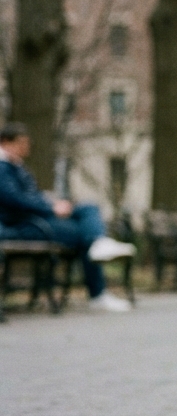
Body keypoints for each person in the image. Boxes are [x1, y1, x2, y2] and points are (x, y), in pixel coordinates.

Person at [0, 123, 136, 312]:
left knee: (88, 207)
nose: (27, 147)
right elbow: (13, 200)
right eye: (22, 142)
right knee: (82, 235)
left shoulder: (17, 166)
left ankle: (99, 243)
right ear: (6, 142)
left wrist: (56, 202)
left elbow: (30, 195)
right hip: (24, 224)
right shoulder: (3, 167)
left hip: (39, 218)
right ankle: (98, 288)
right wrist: (50, 207)